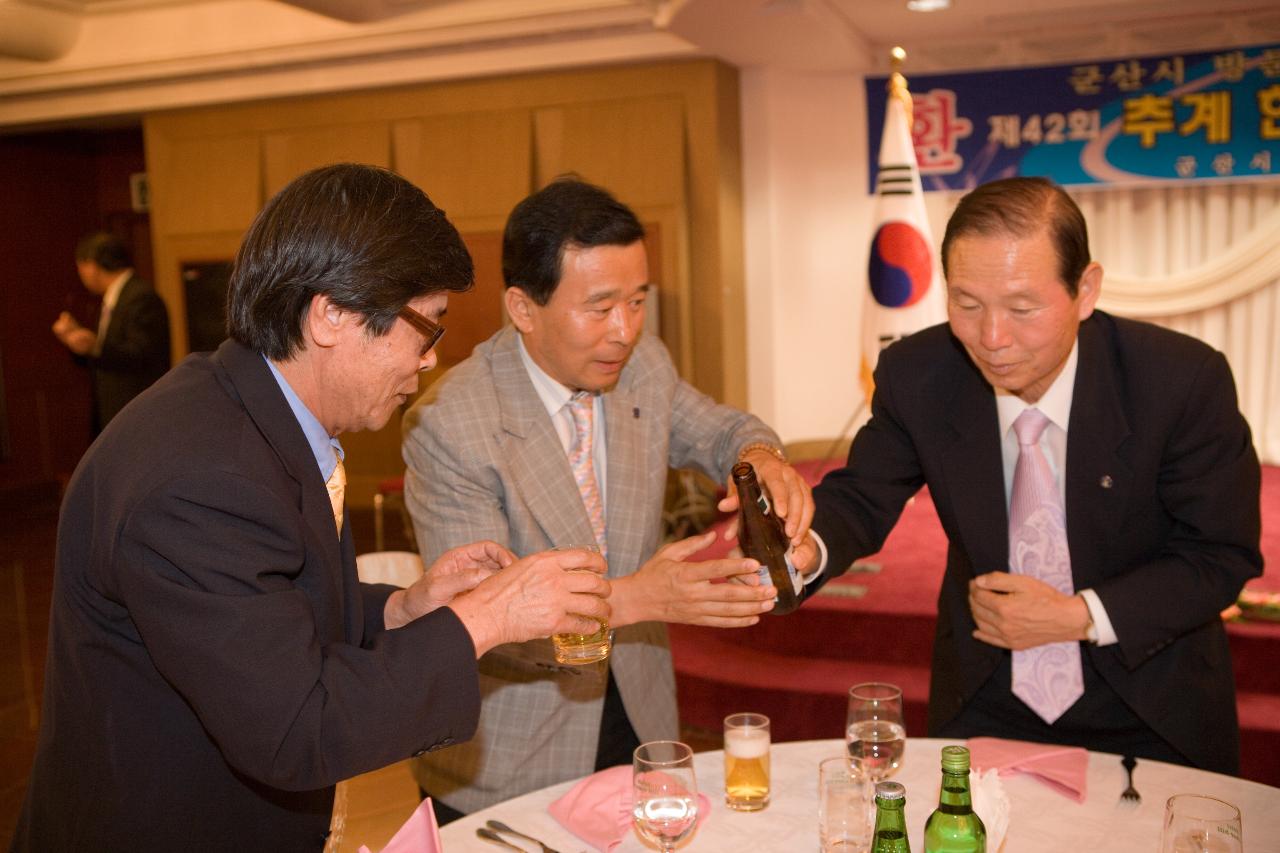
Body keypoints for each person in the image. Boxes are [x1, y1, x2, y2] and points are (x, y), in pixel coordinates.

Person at [13, 164, 613, 852]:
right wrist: (485, 618)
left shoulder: (254, 411)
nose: (426, 364)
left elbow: (267, 609)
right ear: (332, 314)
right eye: (428, 328)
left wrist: (406, 608)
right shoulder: (199, 476)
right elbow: (298, 726)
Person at [807, 176, 1262, 774]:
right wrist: (796, 550)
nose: (992, 339)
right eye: (966, 304)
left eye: (1023, 308)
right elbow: (860, 499)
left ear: (1086, 289)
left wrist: (1077, 615)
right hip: (987, 691)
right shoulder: (919, 375)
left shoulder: (1178, 382)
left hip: (1149, 697)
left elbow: (1220, 556)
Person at [401, 177, 817, 816]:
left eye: (638, 300)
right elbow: (478, 617)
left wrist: (762, 457)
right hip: (511, 752)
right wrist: (640, 596)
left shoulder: (641, 364)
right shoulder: (451, 424)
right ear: (522, 307)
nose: (624, 330)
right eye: (599, 307)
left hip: (638, 719)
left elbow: (724, 431)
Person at [51, 231, 172, 432]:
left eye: (81, 267)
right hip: (112, 410)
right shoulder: (110, 299)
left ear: (91, 266)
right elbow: (103, 357)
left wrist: (95, 345)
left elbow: (141, 355)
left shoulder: (141, 297)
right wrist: (78, 341)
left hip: (136, 411)